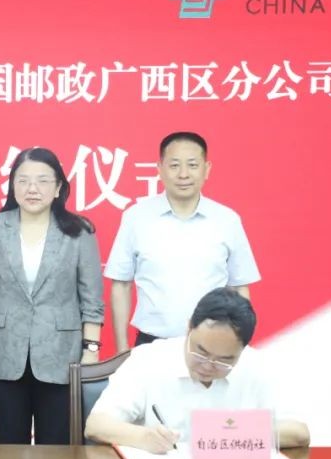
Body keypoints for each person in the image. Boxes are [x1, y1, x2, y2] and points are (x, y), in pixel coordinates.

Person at [0, 147, 104, 444]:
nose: (32, 189)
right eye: (23, 180)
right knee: (7, 448)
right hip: (2, 353)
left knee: (57, 449)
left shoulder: (79, 232)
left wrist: (90, 351)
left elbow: (92, 301)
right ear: (13, 186)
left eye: (42, 180)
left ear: (58, 188)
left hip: (61, 355)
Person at [85, 287, 309, 453]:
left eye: (224, 361)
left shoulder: (258, 366)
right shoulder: (148, 359)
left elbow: (299, 433)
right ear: (189, 327)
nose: (208, 366)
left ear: (242, 349)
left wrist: (230, 435)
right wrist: (143, 437)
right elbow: (96, 425)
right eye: (201, 352)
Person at [105, 131, 259, 351]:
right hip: (152, 344)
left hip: (213, 346)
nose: (183, 174)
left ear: (207, 169)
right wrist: (122, 348)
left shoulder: (227, 220)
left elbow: (239, 287)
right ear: (160, 169)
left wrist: (239, 345)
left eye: (193, 165)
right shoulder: (136, 217)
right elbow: (121, 284)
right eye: (174, 165)